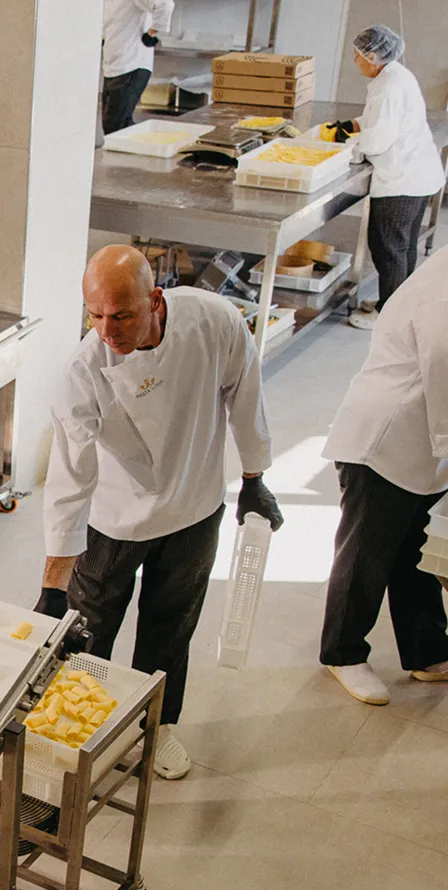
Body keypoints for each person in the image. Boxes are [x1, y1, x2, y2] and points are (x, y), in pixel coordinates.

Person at [34, 246, 283, 779]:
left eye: (121, 315)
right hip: (116, 517)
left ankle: (158, 726)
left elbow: (246, 393)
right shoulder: (85, 369)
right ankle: (76, 726)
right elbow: (70, 478)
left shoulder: (213, 322)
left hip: (194, 505)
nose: (107, 330)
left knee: (171, 626)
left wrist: (255, 479)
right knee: (90, 628)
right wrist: (53, 585)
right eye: (95, 315)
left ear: (155, 299)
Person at [320, 246, 448, 705]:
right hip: (385, 437)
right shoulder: (442, 292)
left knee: (414, 552)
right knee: (367, 555)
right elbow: (443, 371)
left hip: (423, 445)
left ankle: (428, 652)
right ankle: (343, 652)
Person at [328, 25, 445, 331]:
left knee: (388, 246)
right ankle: (394, 305)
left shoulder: (388, 87)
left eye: (357, 56)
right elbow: (381, 120)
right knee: (402, 246)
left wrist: (347, 145)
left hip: (403, 179)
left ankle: (389, 318)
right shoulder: (394, 75)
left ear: (373, 55)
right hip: (418, 174)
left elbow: (377, 140)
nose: (355, 62)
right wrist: (353, 124)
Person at [101, 0, 174, 135]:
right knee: (112, 126)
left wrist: (151, 33)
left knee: (114, 126)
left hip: (132, 65)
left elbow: (165, 5)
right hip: (112, 66)